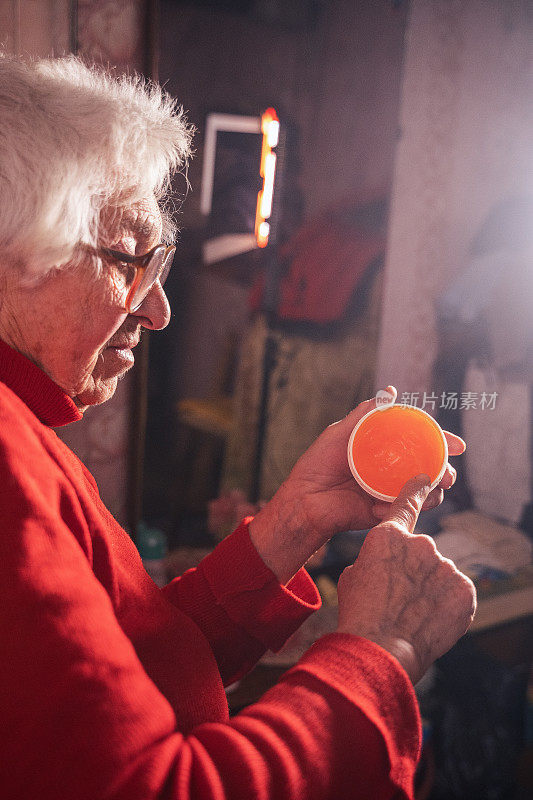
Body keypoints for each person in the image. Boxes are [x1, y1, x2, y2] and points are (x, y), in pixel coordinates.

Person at [0, 53, 476, 800]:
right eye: (131, 260)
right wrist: (380, 649)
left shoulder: (23, 429)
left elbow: (136, 665)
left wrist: (296, 520)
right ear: (14, 254)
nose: (158, 310)